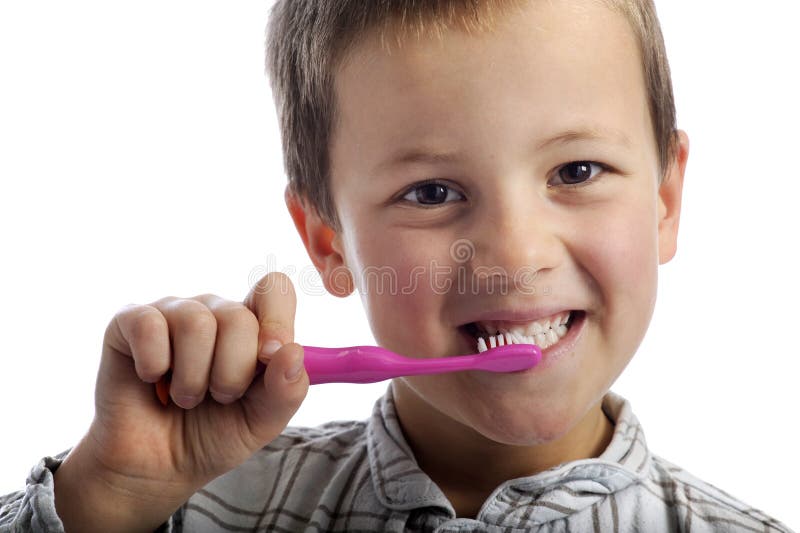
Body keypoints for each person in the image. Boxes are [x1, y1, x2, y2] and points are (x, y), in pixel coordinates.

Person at [0, 0, 793, 531]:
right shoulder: (200, 507)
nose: (516, 257)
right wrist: (112, 493)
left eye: (576, 172)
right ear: (327, 241)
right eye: (433, 190)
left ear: (664, 198)